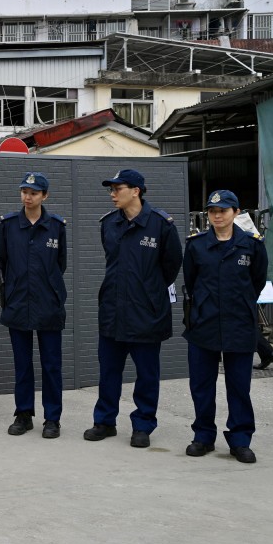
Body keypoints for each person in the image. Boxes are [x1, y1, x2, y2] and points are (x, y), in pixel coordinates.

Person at [85, 169, 183, 449]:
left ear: (136, 191)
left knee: (147, 375)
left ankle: (143, 425)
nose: (113, 194)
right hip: (113, 311)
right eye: (111, 189)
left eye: (118, 189)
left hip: (147, 313)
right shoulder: (108, 224)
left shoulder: (161, 225)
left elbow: (171, 267)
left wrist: (147, 292)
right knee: (108, 372)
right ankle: (104, 421)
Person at [183, 190, 269, 464]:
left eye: (223, 210)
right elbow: (191, 282)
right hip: (203, 325)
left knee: (239, 387)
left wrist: (240, 305)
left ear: (235, 212)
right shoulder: (196, 246)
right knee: (201, 386)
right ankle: (203, 436)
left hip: (239, 325)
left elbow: (256, 282)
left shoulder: (252, 245)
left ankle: (240, 440)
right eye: (212, 211)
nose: (217, 215)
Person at [0, 172, 68, 439]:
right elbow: (1, 261)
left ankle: (52, 418)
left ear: (44, 196)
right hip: (18, 303)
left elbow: (60, 265)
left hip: (49, 305)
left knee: (51, 365)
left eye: (34, 193)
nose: (28, 197)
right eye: (24, 192)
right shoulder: (9, 225)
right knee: (22, 364)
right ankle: (23, 414)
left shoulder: (56, 227)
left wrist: (48, 289)